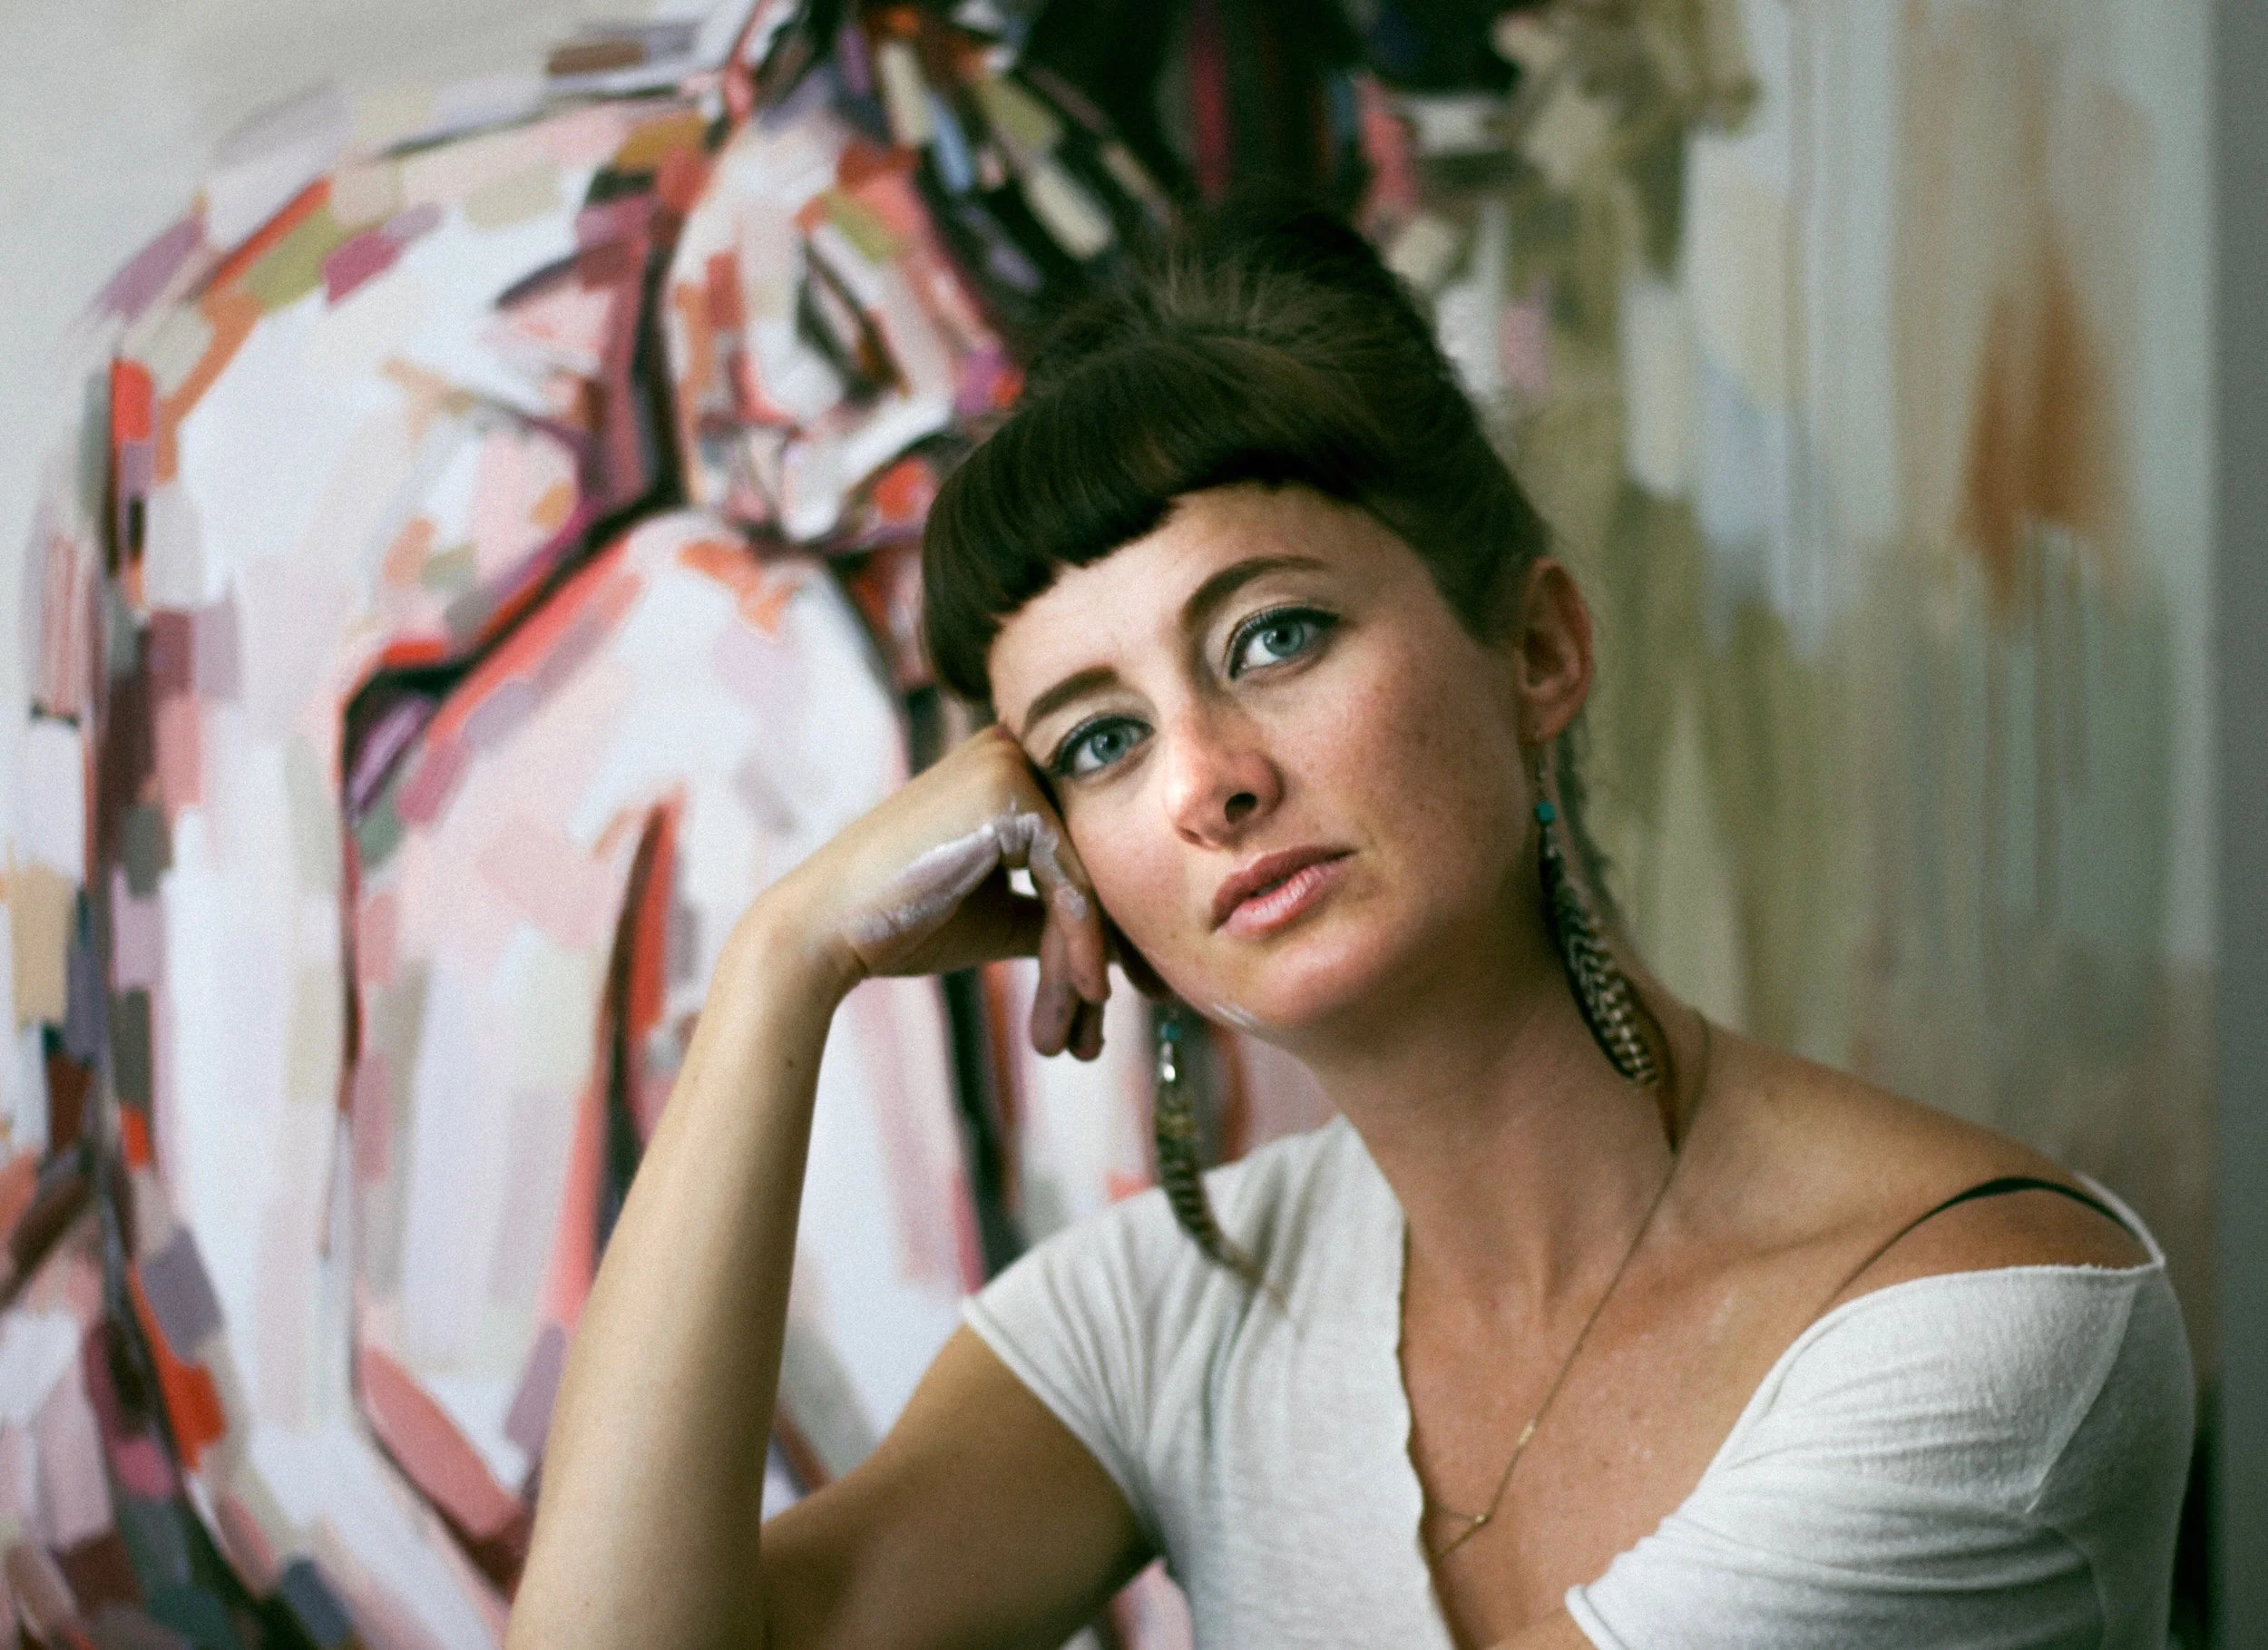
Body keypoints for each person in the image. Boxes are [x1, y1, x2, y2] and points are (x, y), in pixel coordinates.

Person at [508, 204, 2194, 1650]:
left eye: (1275, 637)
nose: (1208, 781)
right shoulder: (1178, 1305)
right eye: (1100, 743)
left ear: (1537, 649)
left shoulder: (1991, 1332)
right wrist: (783, 963)